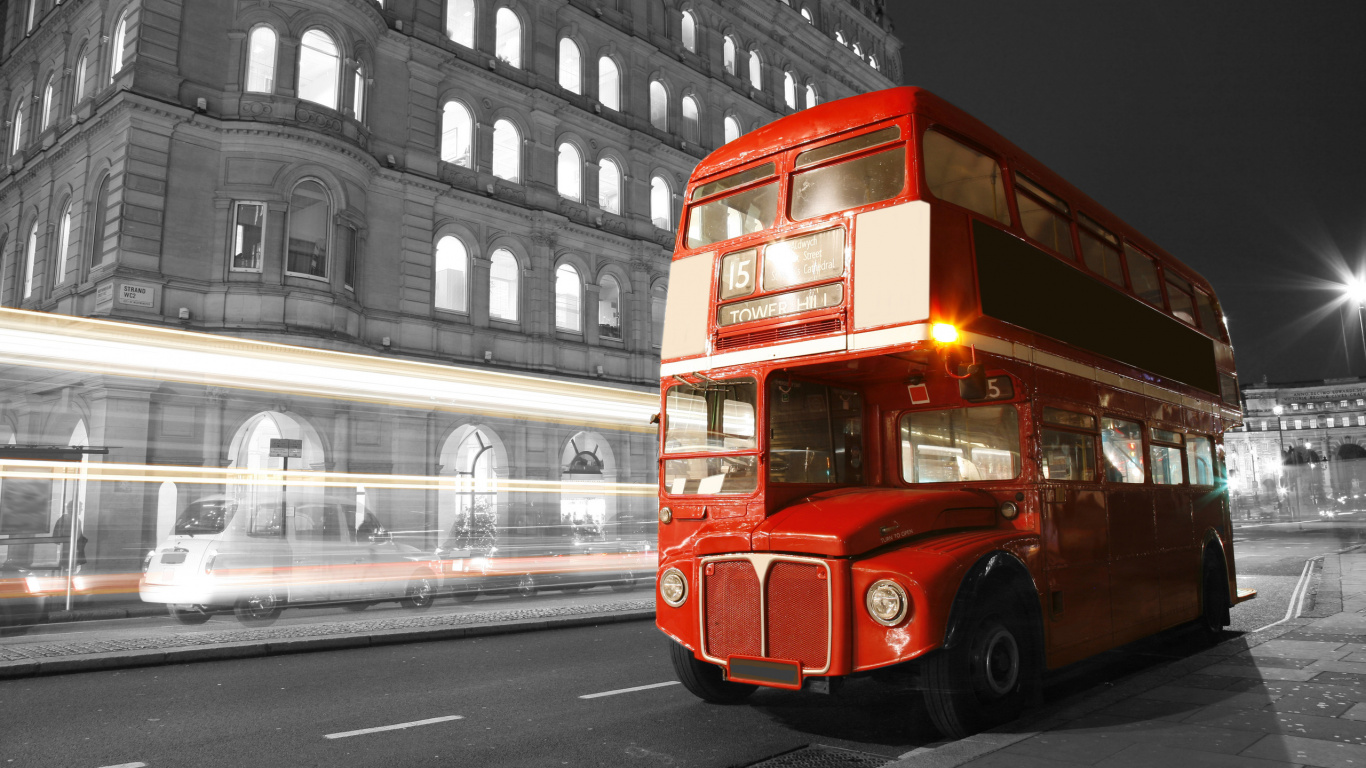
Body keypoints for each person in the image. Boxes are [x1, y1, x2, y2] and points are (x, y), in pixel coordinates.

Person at [52, 503, 87, 573]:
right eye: (80, 507)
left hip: (71, 550)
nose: (82, 509)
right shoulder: (69, 520)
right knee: (67, 569)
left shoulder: (73, 520)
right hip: (70, 550)